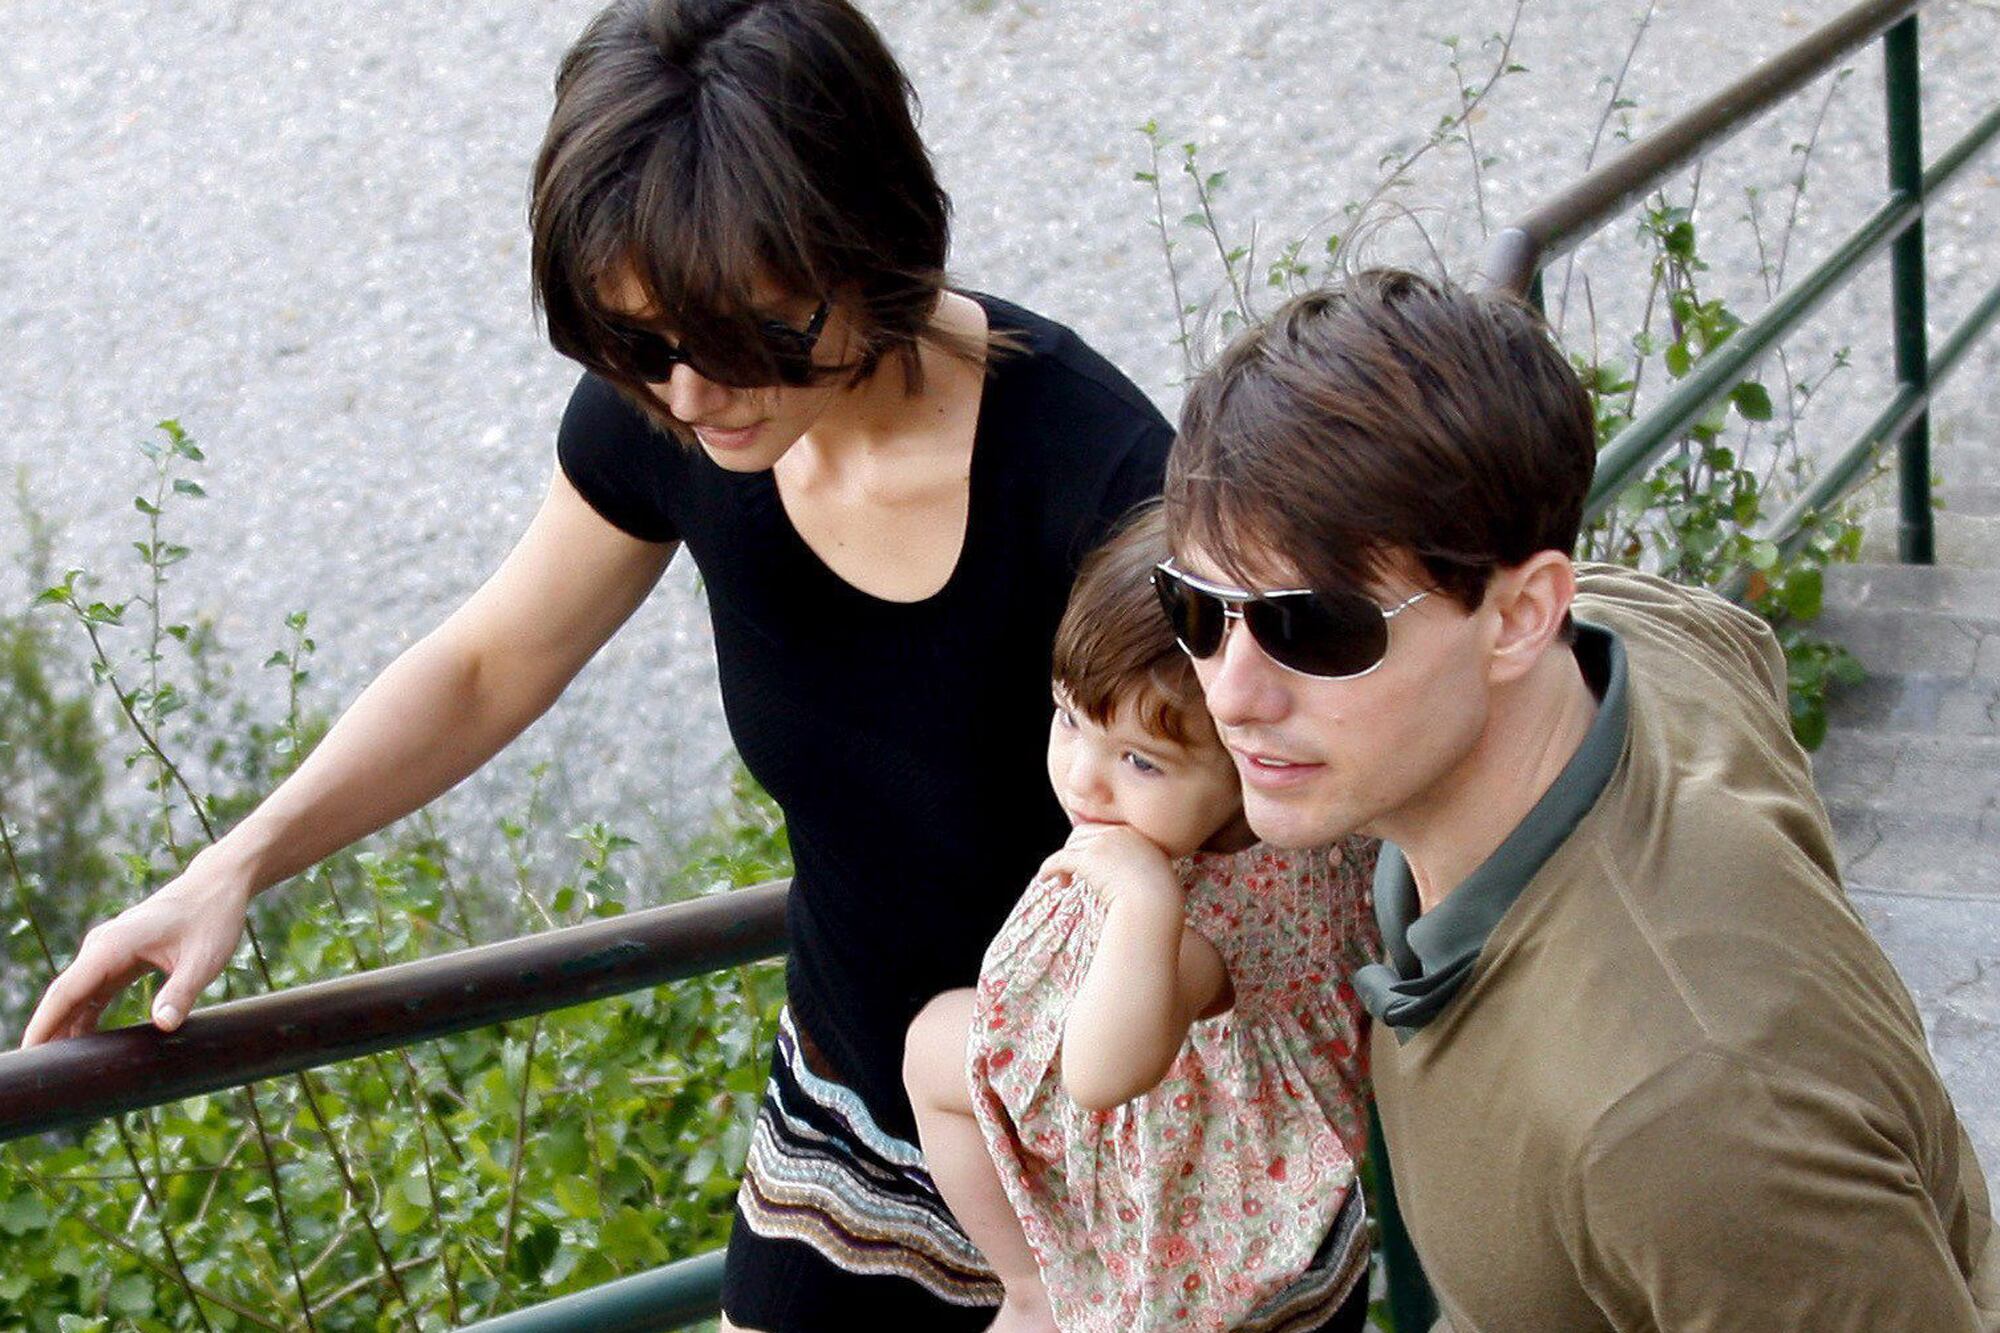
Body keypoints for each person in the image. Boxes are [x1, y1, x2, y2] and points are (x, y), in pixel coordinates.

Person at [20, 3, 1178, 1328]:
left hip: (1108, 1121)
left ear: (874, 244)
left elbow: (1255, 836)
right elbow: (489, 661)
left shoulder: (1097, 479)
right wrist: (234, 863)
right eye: (639, 344)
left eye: (750, 340)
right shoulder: (682, 412)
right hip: (852, 1115)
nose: (692, 396)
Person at [1156, 268, 2000, 1330]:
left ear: (1517, 616)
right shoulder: (1632, 636)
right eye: (1193, 606)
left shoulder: (1688, 1117)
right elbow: (1728, 638)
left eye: (1315, 627)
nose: (1230, 692)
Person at [903, 505, 1379, 1333]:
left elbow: (1100, 1075)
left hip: (1195, 1151)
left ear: (1245, 761)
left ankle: (1032, 1289)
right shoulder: (1222, 814)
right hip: (1175, 1076)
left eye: (1138, 760)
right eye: (1068, 719)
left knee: (933, 1052)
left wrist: (1144, 901)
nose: (1082, 779)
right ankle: (1029, 1282)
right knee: (932, 1045)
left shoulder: (1220, 918)